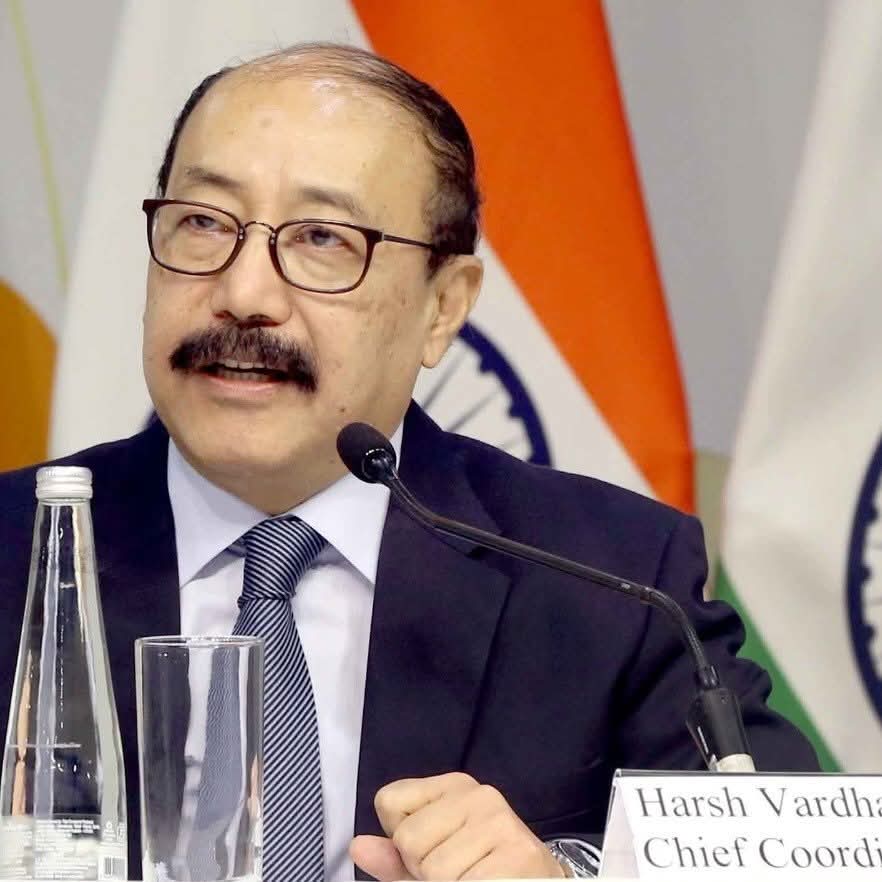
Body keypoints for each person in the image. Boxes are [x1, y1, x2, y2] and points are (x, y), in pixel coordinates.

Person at [0, 42, 818, 882]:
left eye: (323, 238)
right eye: (204, 223)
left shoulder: (612, 577)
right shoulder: (14, 543)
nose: (243, 294)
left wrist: (569, 877)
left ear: (444, 306)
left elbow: (786, 861)